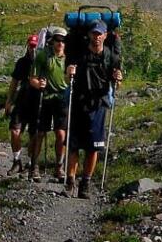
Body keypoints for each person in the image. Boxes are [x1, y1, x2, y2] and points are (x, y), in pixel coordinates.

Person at [64, 20, 122, 199]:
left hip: (98, 105)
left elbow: (116, 82)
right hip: (78, 104)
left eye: (100, 34)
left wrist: (118, 78)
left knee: (93, 148)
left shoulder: (111, 56)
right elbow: (68, 79)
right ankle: (70, 181)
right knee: (73, 146)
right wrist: (69, 73)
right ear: (89, 34)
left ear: (105, 35)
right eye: (94, 33)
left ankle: (86, 183)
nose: (96, 37)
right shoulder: (79, 55)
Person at [26, 27, 69, 180]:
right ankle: (34, 166)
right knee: (41, 133)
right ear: (52, 41)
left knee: (61, 133)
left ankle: (59, 167)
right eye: (58, 39)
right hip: (45, 97)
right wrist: (39, 85)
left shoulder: (69, 58)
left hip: (62, 97)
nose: (60, 43)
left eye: (63, 40)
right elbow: (33, 78)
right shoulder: (43, 55)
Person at [3, 34, 39, 175]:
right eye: (31, 46)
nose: (33, 49)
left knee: (34, 134)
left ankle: (30, 163)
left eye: (35, 46)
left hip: (37, 102)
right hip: (22, 100)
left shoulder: (41, 62)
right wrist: (9, 100)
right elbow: (14, 82)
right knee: (14, 130)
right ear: (27, 46)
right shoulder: (22, 62)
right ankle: (17, 160)